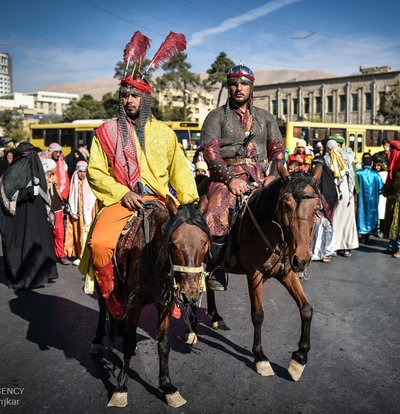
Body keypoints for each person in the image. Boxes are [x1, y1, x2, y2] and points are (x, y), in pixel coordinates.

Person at [79, 43, 198, 315]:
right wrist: (122, 193)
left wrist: (189, 204)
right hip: (122, 201)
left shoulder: (166, 134)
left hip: (158, 201)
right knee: (99, 244)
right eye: (124, 96)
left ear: (146, 99)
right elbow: (95, 171)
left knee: (183, 242)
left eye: (134, 96)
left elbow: (180, 170)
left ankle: (173, 292)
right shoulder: (106, 132)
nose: (129, 100)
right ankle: (111, 297)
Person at [201, 64, 285, 289]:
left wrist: (273, 175)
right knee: (215, 215)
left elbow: (277, 149)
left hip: (259, 177)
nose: (239, 88)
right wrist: (230, 180)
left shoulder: (265, 117)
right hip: (225, 178)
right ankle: (216, 268)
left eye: (244, 84)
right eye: (234, 84)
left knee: (287, 208)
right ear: (229, 87)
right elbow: (210, 152)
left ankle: (288, 255)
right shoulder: (215, 117)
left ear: (251, 87)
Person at [0, 142, 58, 289]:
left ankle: (44, 274)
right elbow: (8, 194)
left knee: (40, 242)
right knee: (27, 244)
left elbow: (44, 192)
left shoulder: (35, 170)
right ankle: (28, 278)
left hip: (36, 214)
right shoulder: (14, 172)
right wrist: (28, 192)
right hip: (21, 218)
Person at [322, 136, 358, 257]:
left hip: (336, 192)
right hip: (347, 192)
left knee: (336, 219)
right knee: (347, 219)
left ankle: (335, 246)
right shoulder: (348, 155)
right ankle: (346, 246)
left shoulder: (327, 158)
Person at [64, 161, 97, 266]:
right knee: (78, 234)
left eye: (84, 172)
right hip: (77, 214)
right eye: (80, 172)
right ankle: (80, 255)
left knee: (87, 233)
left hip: (89, 213)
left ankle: (85, 256)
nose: (82, 174)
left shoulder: (90, 183)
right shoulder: (75, 182)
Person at [356, 153, 383, 243]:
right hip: (373, 199)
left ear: (362, 164)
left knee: (361, 213)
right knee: (371, 214)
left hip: (360, 199)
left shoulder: (358, 174)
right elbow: (381, 187)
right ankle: (368, 232)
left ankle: (361, 232)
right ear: (371, 164)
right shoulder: (375, 174)